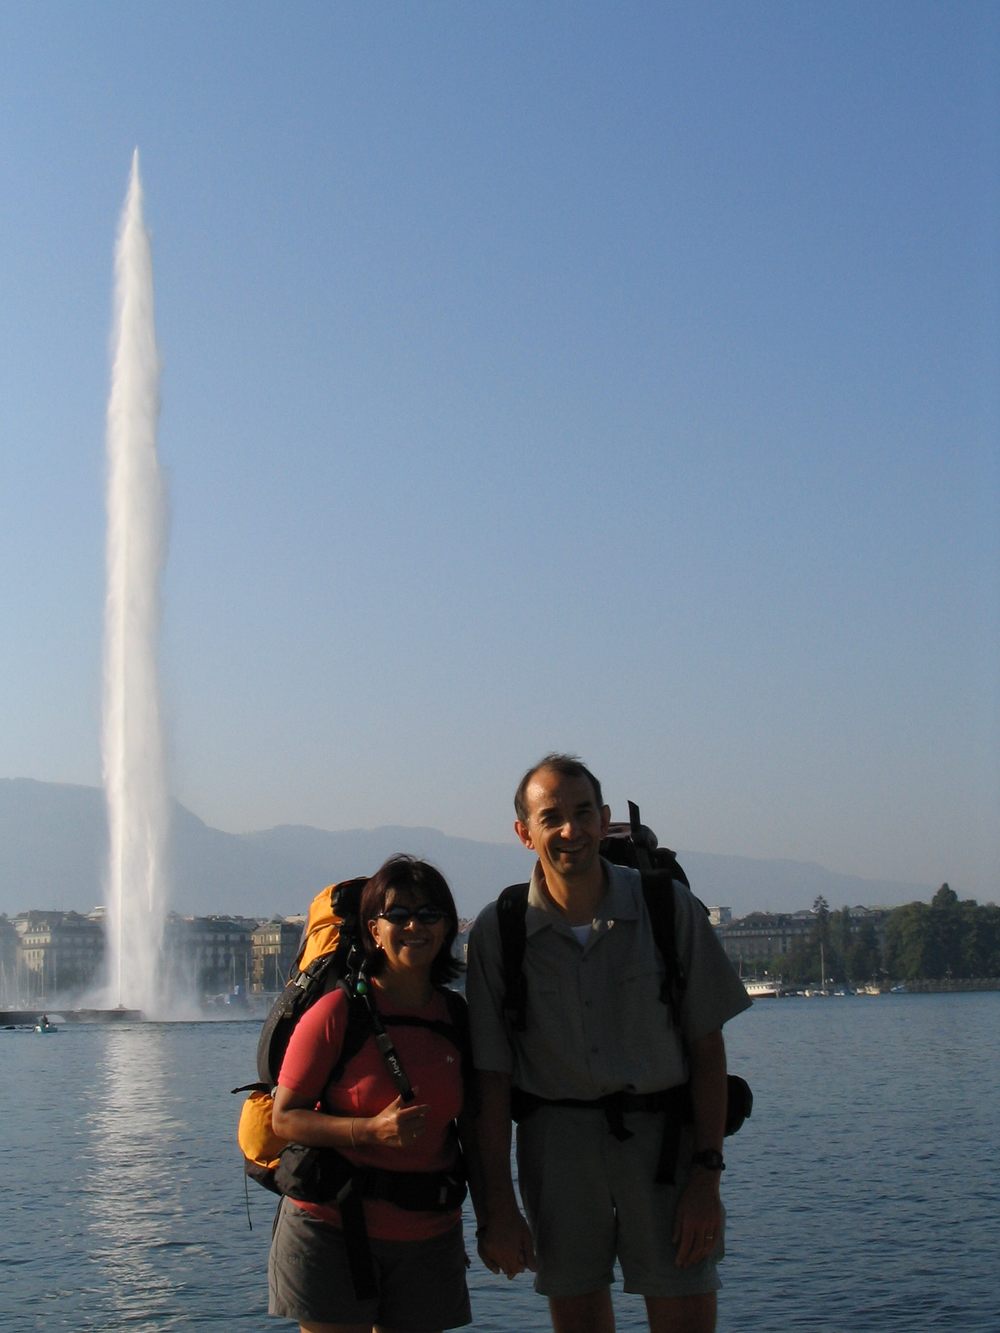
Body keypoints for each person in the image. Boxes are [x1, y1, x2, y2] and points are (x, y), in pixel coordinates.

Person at [466, 755, 751, 1333]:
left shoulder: (667, 908)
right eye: (551, 818)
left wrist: (707, 1180)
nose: (570, 830)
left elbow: (708, 1053)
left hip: (666, 1148)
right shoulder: (501, 930)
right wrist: (498, 1206)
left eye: (582, 812)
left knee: (684, 1311)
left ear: (604, 818)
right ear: (524, 833)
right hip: (557, 1149)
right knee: (577, 1317)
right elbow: (491, 1081)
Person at [268, 854, 481, 1333]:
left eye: (428, 914)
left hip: (429, 1233)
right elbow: (284, 1118)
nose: (414, 926)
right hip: (331, 1228)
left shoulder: (457, 1017)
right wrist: (369, 1130)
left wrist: (496, 1218)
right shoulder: (335, 1013)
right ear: (374, 929)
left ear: (447, 927)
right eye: (398, 915)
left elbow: (473, 1128)